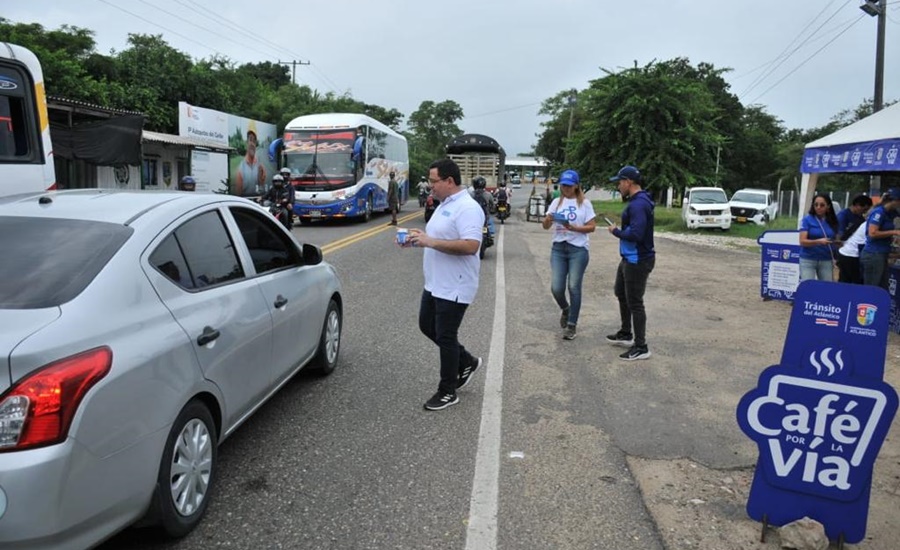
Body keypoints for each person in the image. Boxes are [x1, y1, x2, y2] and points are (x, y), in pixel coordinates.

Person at [400, 158, 484, 411]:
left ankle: (447, 391)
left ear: (449, 181)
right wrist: (418, 238)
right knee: (427, 326)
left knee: (446, 336)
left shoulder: (468, 208)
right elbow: (436, 236)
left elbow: (472, 245)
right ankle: (467, 361)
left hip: (455, 285)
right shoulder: (445, 204)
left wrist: (430, 243)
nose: (430, 185)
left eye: (434, 181)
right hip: (436, 283)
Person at [606, 165, 655, 361]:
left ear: (628, 182)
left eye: (619, 182)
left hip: (638, 259)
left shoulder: (638, 204)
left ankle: (641, 346)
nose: (618, 186)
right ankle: (626, 333)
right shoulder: (638, 201)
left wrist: (616, 232)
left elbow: (636, 233)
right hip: (629, 257)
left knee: (635, 301)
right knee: (620, 292)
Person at [541, 169, 596, 340]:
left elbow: (592, 226)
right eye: (563, 185)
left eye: (569, 186)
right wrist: (548, 220)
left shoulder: (584, 204)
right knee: (556, 288)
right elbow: (545, 226)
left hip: (577, 249)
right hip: (559, 247)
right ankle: (566, 309)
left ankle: (572, 325)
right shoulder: (557, 202)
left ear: (576, 186)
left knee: (573, 286)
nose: (566, 188)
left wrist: (574, 228)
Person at [860, 188, 900, 290]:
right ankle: (866, 305)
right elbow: (872, 233)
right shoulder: (879, 213)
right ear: (895, 201)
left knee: (882, 288)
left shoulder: (891, 212)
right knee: (872, 287)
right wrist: (894, 232)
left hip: (882, 253)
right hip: (874, 254)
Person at [798, 193, 838, 282]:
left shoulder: (832, 221)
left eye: (822, 205)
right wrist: (818, 241)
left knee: (827, 287)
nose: (818, 207)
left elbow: (836, 237)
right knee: (808, 285)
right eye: (816, 205)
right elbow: (802, 241)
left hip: (826, 259)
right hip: (808, 258)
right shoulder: (807, 220)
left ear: (828, 206)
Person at [235, 129, 267, 197]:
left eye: (254, 141)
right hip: (245, 203)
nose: (252, 144)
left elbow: (262, 189)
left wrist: (261, 181)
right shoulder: (241, 168)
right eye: (250, 140)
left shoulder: (260, 167)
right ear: (246, 143)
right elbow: (238, 194)